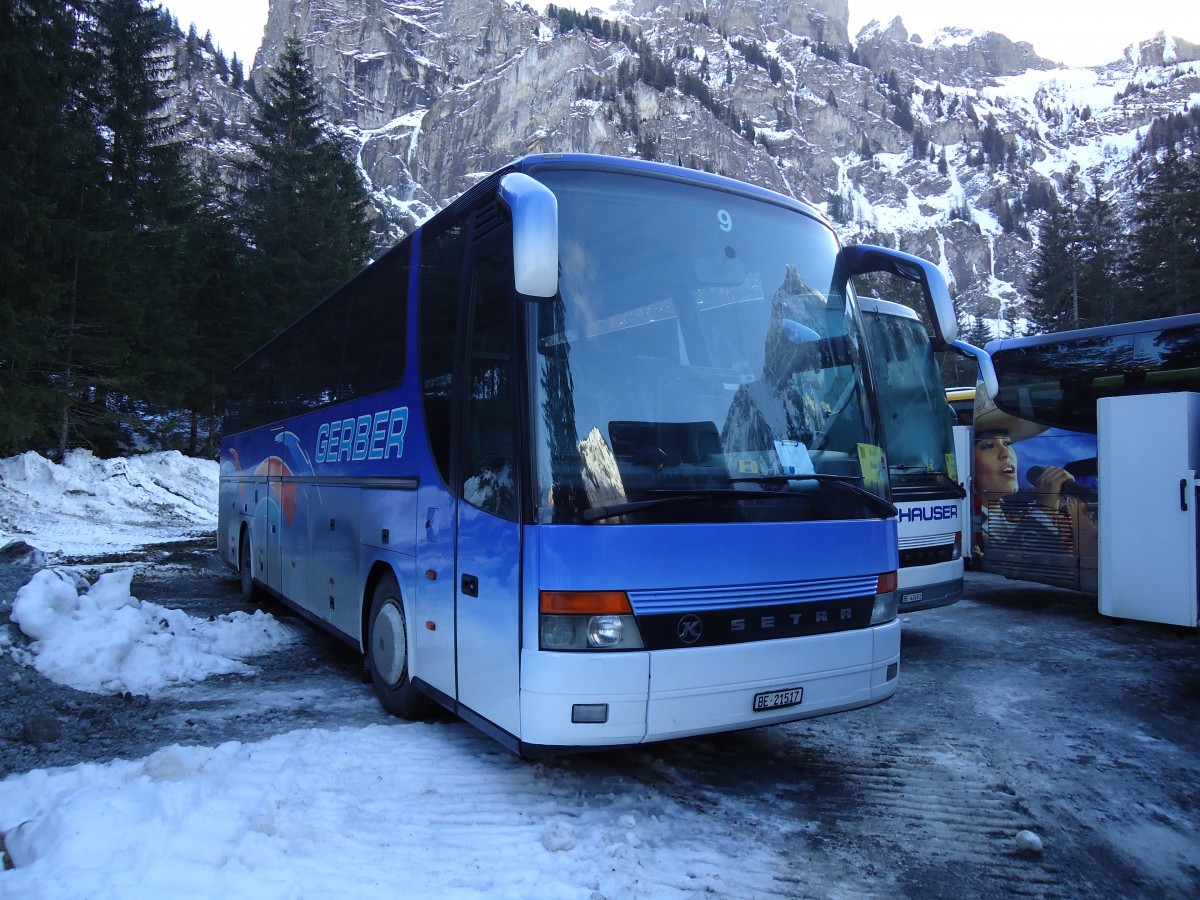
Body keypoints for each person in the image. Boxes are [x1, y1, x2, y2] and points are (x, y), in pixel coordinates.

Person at [971, 388, 1096, 560]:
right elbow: (1008, 563)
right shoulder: (970, 524)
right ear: (969, 462)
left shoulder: (1009, 517)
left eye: (1007, 443)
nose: (1005, 453)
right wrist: (1044, 508)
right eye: (988, 446)